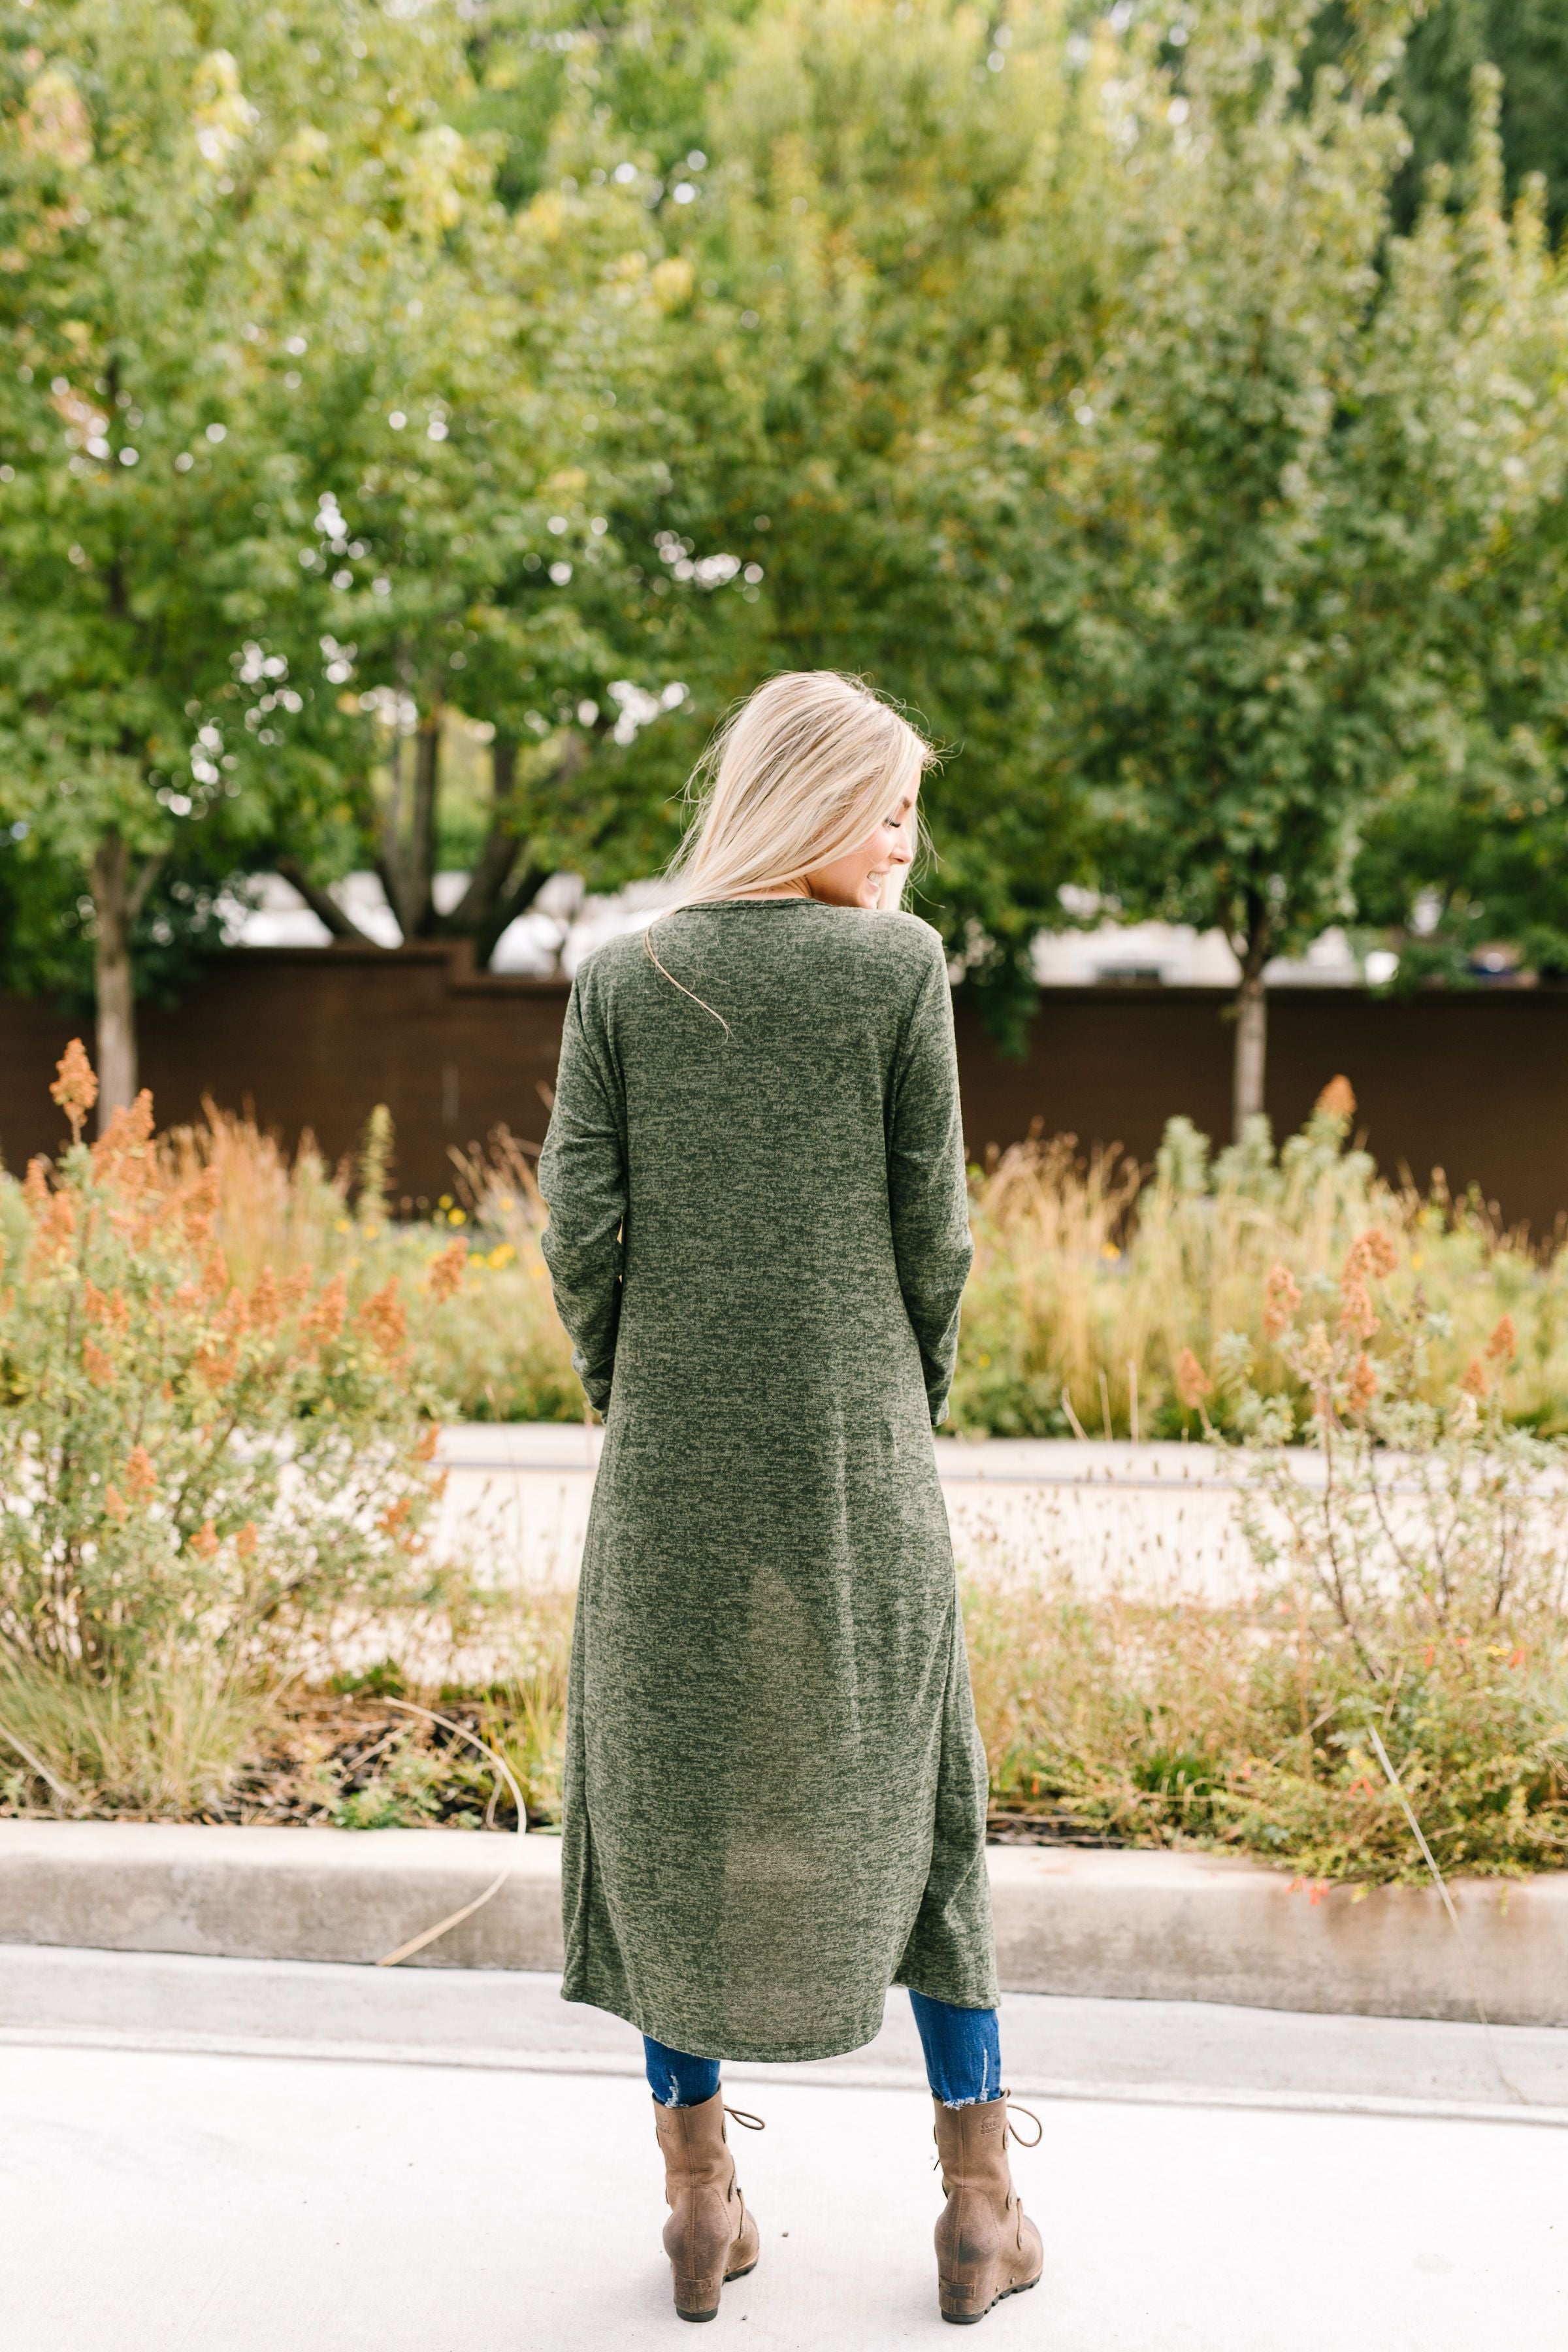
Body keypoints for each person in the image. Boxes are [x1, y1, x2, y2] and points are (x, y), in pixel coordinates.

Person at [537, 670, 1041, 2326]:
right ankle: (979, 2205)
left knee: (668, 1801)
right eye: (887, 810)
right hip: (855, 1451)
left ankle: (699, 2198)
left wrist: (637, 1391)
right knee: (925, 1792)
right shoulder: (897, 973)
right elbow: (933, 1232)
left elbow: (579, 1233)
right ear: (814, 802)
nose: (904, 846)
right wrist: (908, 1400)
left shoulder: (621, 979)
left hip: (669, 1461)